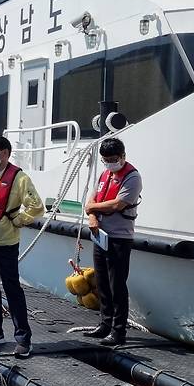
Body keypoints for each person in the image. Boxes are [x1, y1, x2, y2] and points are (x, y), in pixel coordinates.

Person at [0, 135, 45, 358]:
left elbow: (37, 207)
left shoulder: (20, 178)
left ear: (5, 153)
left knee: (12, 289)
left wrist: (19, 220)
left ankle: (23, 338)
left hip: (5, 241)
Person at [84, 137, 142, 346]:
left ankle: (119, 331)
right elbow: (91, 202)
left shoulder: (132, 177)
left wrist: (92, 209)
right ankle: (105, 324)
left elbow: (118, 204)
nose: (109, 163)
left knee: (117, 283)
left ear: (123, 156)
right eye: (106, 159)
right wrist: (91, 216)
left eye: (113, 159)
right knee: (101, 281)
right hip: (101, 235)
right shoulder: (104, 174)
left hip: (119, 237)